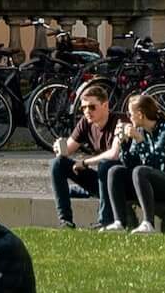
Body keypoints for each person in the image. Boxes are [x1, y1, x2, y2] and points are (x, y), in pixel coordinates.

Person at [104, 92, 165, 233]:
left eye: (130, 114)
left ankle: (148, 223)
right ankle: (119, 222)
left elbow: (155, 162)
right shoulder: (141, 131)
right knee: (115, 171)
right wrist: (125, 144)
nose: (128, 117)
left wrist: (140, 140)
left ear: (140, 114)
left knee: (141, 171)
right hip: (155, 183)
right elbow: (130, 165)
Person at [49, 80, 120, 230]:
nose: (87, 111)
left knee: (105, 165)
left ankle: (105, 221)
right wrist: (59, 148)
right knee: (57, 163)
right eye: (84, 108)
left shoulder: (119, 122)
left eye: (92, 107)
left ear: (105, 105)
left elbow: (113, 154)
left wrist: (86, 162)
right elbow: (67, 150)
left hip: (121, 182)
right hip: (102, 181)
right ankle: (65, 221)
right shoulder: (85, 122)